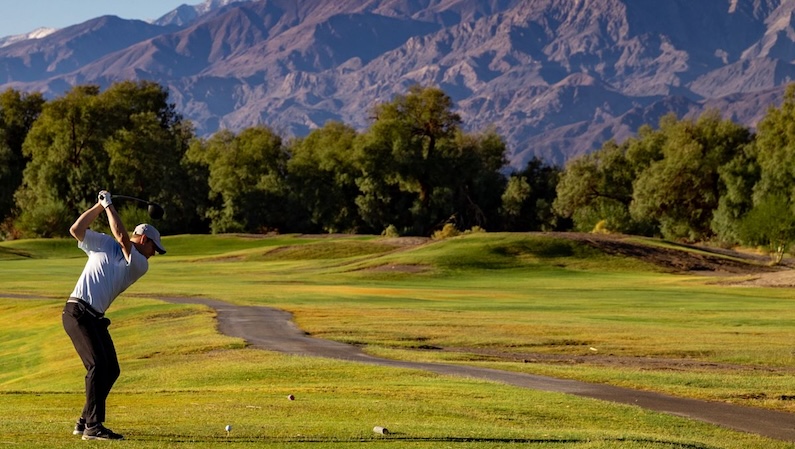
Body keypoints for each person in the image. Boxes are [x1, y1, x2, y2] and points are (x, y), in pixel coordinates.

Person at [62, 190, 166, 440]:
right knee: (98, 365)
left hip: (94, 318)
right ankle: (93, 428)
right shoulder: (105, 243)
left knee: (111, 369)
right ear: (144, 239)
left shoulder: (140, 264)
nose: (155, 253)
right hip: (77, 311)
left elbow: (121, 236)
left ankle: (85, 420)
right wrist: (100, 206)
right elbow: (76, 229)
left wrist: (109, 205)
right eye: (155, 247)